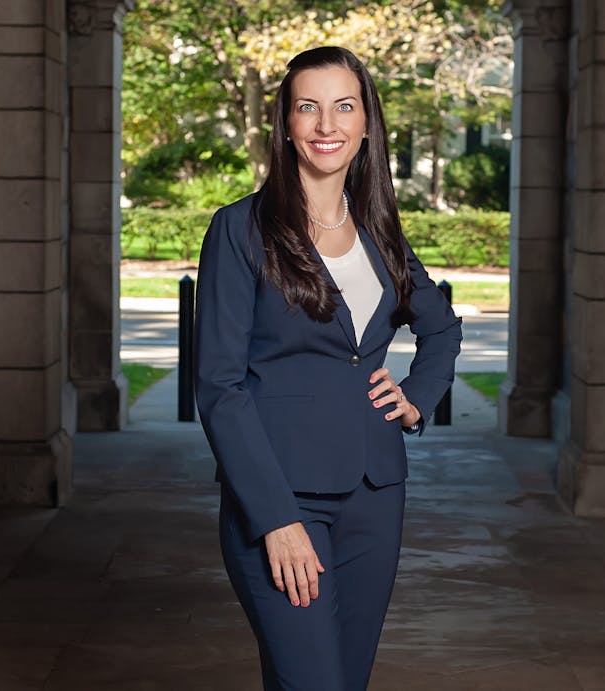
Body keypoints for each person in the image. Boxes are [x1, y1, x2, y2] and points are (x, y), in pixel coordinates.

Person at [194, 46, 462, 691]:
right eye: (307, 107)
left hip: (376, 495)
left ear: (366, 122)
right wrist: (275, 520)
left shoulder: (381, 232)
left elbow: (443, 328)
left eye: (344, 106)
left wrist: (417, 397)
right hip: (285, 497)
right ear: (286, 123)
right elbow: (220, 388)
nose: (326, 125)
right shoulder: (239, 229)